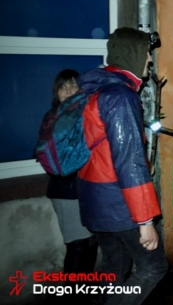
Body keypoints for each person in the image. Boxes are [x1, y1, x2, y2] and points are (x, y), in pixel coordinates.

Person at [76, 27, 167, 305]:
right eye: (146, 53)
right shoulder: (119, 96)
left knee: (113, 267)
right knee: (153, 267)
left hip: (95, 200)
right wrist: (145, 221)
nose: (149, 59)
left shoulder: (95, 90)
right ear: (132, 54)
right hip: (119, 204)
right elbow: (129, 163)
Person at [37, 69, 99, 275]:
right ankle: (73, 291)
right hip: (65, 189)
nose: (69, 90)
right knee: (77, 244)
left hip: (88, 187)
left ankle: (86, 288)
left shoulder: (86, 112)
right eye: (63, 87)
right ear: (57, 92)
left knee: (92, 241)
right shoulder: (54, 118)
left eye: (73, 85)